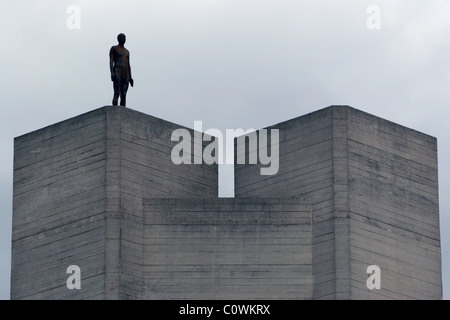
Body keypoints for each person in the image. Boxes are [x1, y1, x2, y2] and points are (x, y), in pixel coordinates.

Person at [110, 33, 134, 107]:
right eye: (122, 38)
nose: (124, 39)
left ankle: (122, 113)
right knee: (117, 92)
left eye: (125, 38)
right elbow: (111, 61)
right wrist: (112, 72)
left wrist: (130, 77)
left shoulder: (127, 52)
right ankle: (114, 111)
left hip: (125, 73)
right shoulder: (114, 48)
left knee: (124, 94)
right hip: (118, 70)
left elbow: (128, 64)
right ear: (118, 39)